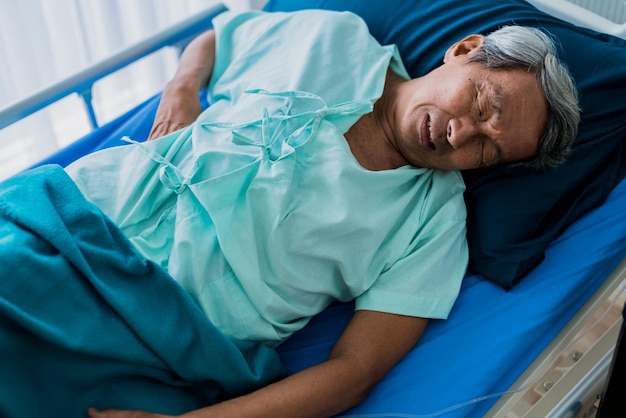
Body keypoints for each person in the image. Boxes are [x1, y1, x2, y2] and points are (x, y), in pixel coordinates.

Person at [10, 9, 580, 418]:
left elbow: (352, 375)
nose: (461, 133)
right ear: (464, 49)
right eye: (482, 103)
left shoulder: (432, 227)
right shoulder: (332, 39)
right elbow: (214, 40)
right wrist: (183, 89)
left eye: (487, 149)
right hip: (68, 219)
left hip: (158, 333)